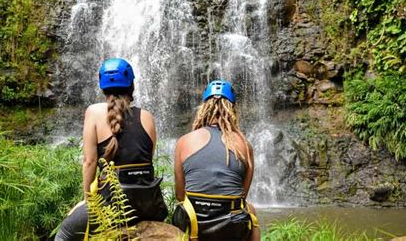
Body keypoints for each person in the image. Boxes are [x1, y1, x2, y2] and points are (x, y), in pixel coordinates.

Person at [55, 58, 167, 241]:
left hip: (111, 203)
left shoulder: (93, 112)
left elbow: (89, 161)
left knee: (64, 235)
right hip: (148, 204)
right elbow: (146, 160)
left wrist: (88, 201)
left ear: (102, 86)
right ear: (132, 85)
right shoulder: (147, 116)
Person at [173, 80, 260, 241]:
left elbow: (179, 194)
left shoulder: (184, 141)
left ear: (204, 108)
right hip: (231, 227)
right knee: (251, 211)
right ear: (232, 109)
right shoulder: (244, 145)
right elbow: (241, 196)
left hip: (195, 227)